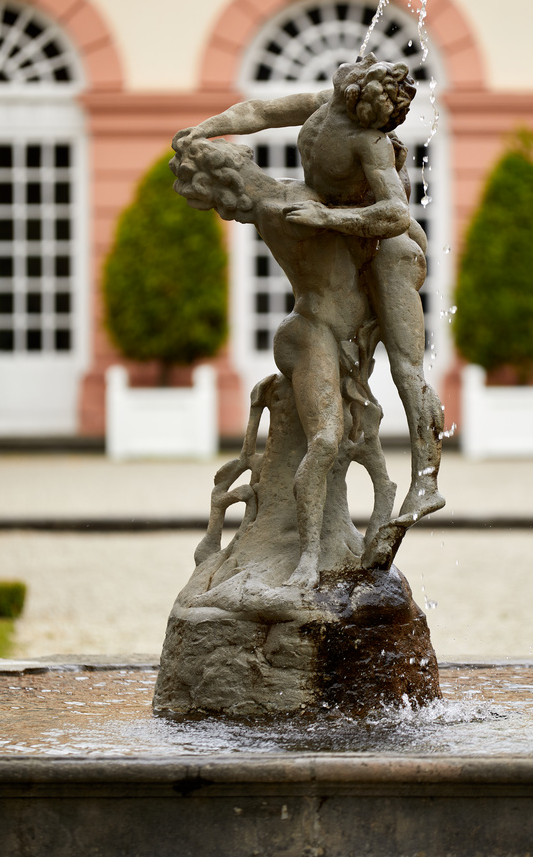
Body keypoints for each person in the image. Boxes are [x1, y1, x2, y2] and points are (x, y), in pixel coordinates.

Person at [172, 55, 445, 521]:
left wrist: (327, 217)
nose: (346, 74)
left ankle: (426, 482)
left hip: (390, 249)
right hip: (341, 235)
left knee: (406, 365)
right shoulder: (325, 105)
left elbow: (398, 214)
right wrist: (204, 130)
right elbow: (258, 113)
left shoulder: (369, 141)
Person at [171, 137, 401, 588]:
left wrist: (331, 215)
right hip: (311, 334)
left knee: (359, 434)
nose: (224, 214)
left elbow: (392, 217)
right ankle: (309, 557)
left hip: (339, 334)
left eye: (217, 202)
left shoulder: (285, 206)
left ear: (230, 183)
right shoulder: (277, 206)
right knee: (327, 440)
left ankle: (370, 522)